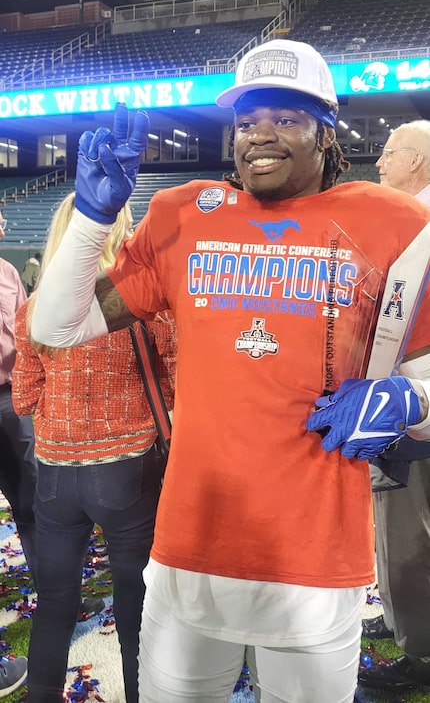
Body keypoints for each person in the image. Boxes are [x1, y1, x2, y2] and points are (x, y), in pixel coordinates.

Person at [30, 40, 430, 703]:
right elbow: (55, 328)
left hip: (314, 557)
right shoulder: (183, 213)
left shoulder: (395, 223)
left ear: (327, 134)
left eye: (286, 117)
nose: (261, 134)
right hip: (190, 545)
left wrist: (409, 399)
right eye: (246, 121)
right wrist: (92, 220)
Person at [12, 193, 177, 703]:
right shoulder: (143, 303)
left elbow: (23, 396)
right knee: (136, 599)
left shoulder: (35, 307)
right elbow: (173, 385)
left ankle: (40, 694)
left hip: (56, 473)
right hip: (129, 469)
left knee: (57, 599)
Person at [359, 120, 430, 692]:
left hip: (416, 405)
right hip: (403, 398)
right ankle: (403, 619)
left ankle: (422, 651)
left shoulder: (421, 228)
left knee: (410, 529)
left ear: (418, 161)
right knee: (394, 525)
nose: (378, 163)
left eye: (388, 153)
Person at [0, 210, 35, 697]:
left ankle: (55, 592)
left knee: (33, 502)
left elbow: (25, 334)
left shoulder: (7, 272)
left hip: (12, 401)